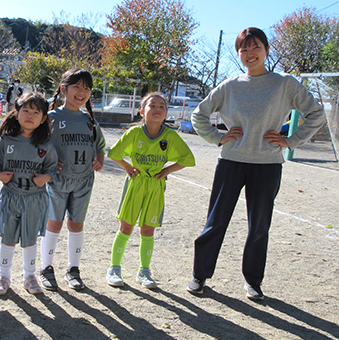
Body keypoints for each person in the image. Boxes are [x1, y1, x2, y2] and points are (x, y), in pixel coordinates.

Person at [187, 27, 325, 301]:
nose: (250, 54)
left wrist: (291, 140)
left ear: (266, 49)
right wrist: (218, 137)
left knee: (259, 225)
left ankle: (253, 282)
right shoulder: (230, 86)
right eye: (243, 49)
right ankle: (199, 275)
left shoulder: (284, 83)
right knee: (216, 222)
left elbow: (316, 114)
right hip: (231, 161)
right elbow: (198, 114)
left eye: (255, 47)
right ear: (238, 54)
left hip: (267, 164)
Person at [106, 92, 195, 289]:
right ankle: (114, 268)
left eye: (161, 106)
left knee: (148, 229)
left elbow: (188, 159)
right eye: (152, 105)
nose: (156, 109)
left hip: (155, 186)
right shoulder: (134, 133)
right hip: (136, 184)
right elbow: (114, 153)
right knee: (126, 227)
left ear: (166, 113)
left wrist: (166, 170)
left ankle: (144, 271)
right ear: (141, 111)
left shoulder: (170, 136)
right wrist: (128, 167)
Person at [39, 69, 106, 291]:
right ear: (63, 89)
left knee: (76, 224)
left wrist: (98, 160)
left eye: (87, 88)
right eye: (77, 86)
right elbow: (38, 146)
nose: (82, 92)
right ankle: (46, 268)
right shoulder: (51, 118)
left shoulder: (90, 121)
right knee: (54, 224)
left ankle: (73, 269)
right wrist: (47, 163)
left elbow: (100, 147)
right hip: (58, 180)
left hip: (83, 181)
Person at [0, 93, 58, 296]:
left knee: (30, 238)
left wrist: (45, 177)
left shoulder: (45, 146)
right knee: (8, 236)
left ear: (43, 118)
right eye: (25, 110)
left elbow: (53, 169)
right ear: (16, 112)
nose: (30, 116)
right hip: (11, 196)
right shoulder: (5, 141)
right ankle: (3, 276)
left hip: (34, 198)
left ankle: (30, 276)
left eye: (36, 112)